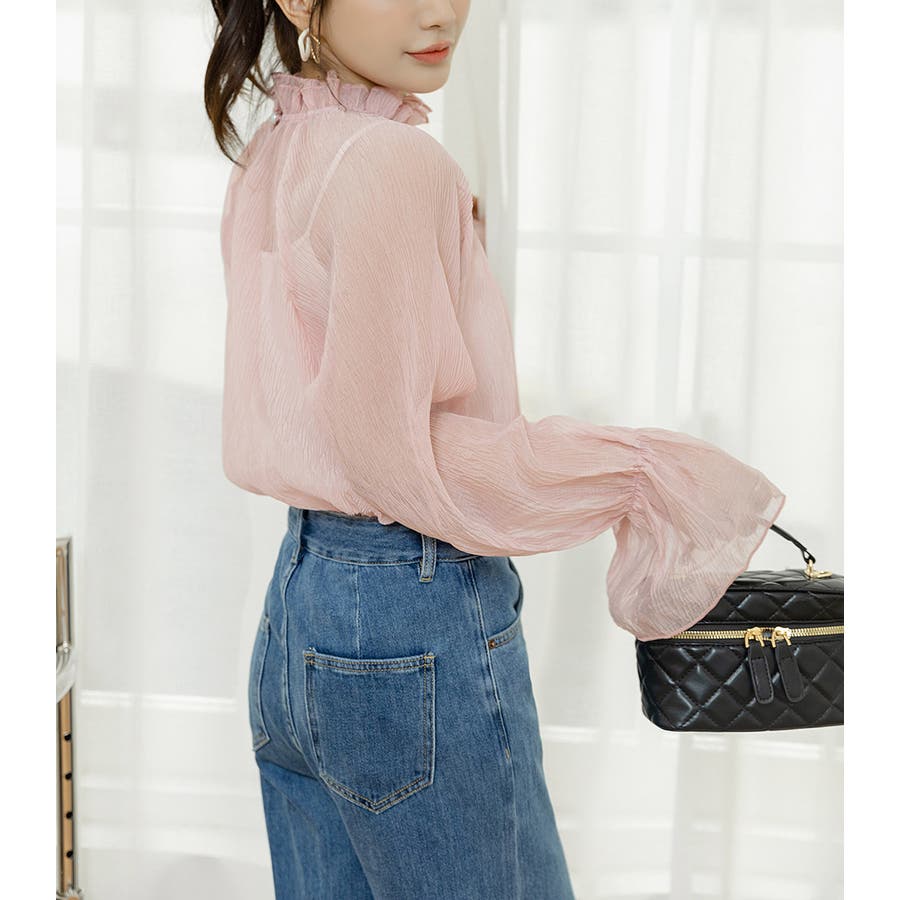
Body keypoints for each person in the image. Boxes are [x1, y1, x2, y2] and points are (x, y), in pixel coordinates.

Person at [204, 1, 786, 897]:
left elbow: (336, 418)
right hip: (409, 609)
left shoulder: (276, 151)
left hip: (298, 608)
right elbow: (394, 457)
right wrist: (636, 471)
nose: (439, 11)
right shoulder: (392, 161)